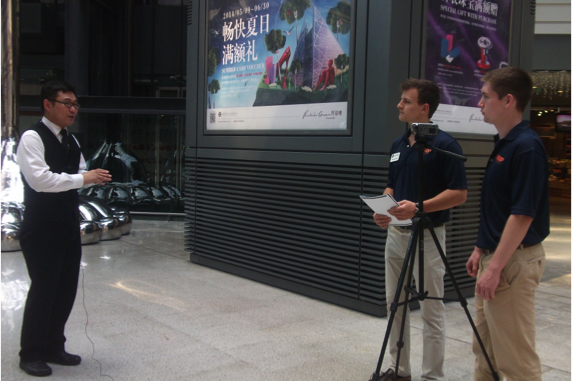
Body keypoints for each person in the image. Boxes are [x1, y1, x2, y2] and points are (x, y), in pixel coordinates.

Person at [372, 79, 467, 381]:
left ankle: (432, 376)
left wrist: (419, 206)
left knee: (430, 310)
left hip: (427, 236)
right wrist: (384, 210)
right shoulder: (398, 145)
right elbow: (392, 182)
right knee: (394, 304)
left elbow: (459, 193)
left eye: (405, 101)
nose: (399, 105)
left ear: (424, 108)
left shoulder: (446, 145)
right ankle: (399, 370)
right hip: (396, 235)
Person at [16, 80, 111, 377]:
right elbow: (40, 180)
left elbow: (77, 170)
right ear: (48, 104)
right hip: (41, 226)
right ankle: (30, 353)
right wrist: (83, 178)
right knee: (44, 290)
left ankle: (54, 346)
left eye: (75, 105)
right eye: (66, 103)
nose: (73, 110)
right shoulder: (32, 137)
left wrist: (85, 178)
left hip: (67, 224)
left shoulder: (71, 139)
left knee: (65, 289)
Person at [466, 67, 549, 381]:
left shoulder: (527, 147)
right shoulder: (505, 144)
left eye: (486, 96)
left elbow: (522, 214)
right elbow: (499, 208)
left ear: (508, 100)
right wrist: (480, 248)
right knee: (485, 351)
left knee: (516, 360)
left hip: (512, 261)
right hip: (496, 255)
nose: (480, 102)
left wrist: (496, 267)